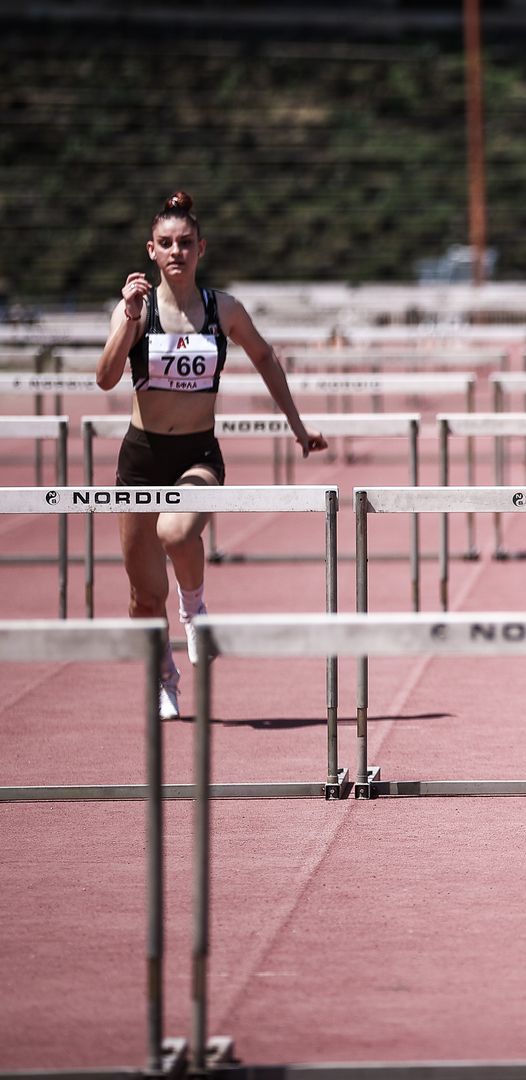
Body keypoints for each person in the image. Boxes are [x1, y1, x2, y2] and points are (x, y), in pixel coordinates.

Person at [96, 192, 327, 720]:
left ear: (202, 248)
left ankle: (196, 609)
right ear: (151, 251)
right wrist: (128, 320)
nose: (176, 251)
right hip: (141, 457)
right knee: (143, 598)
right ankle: (162, 677)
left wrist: (298, 426)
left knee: (177, 532)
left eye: (185, 243)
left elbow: (265, 356)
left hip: (197, 452)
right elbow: (106, 377)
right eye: (166, 244)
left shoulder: (222, 309)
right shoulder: (137, 308)